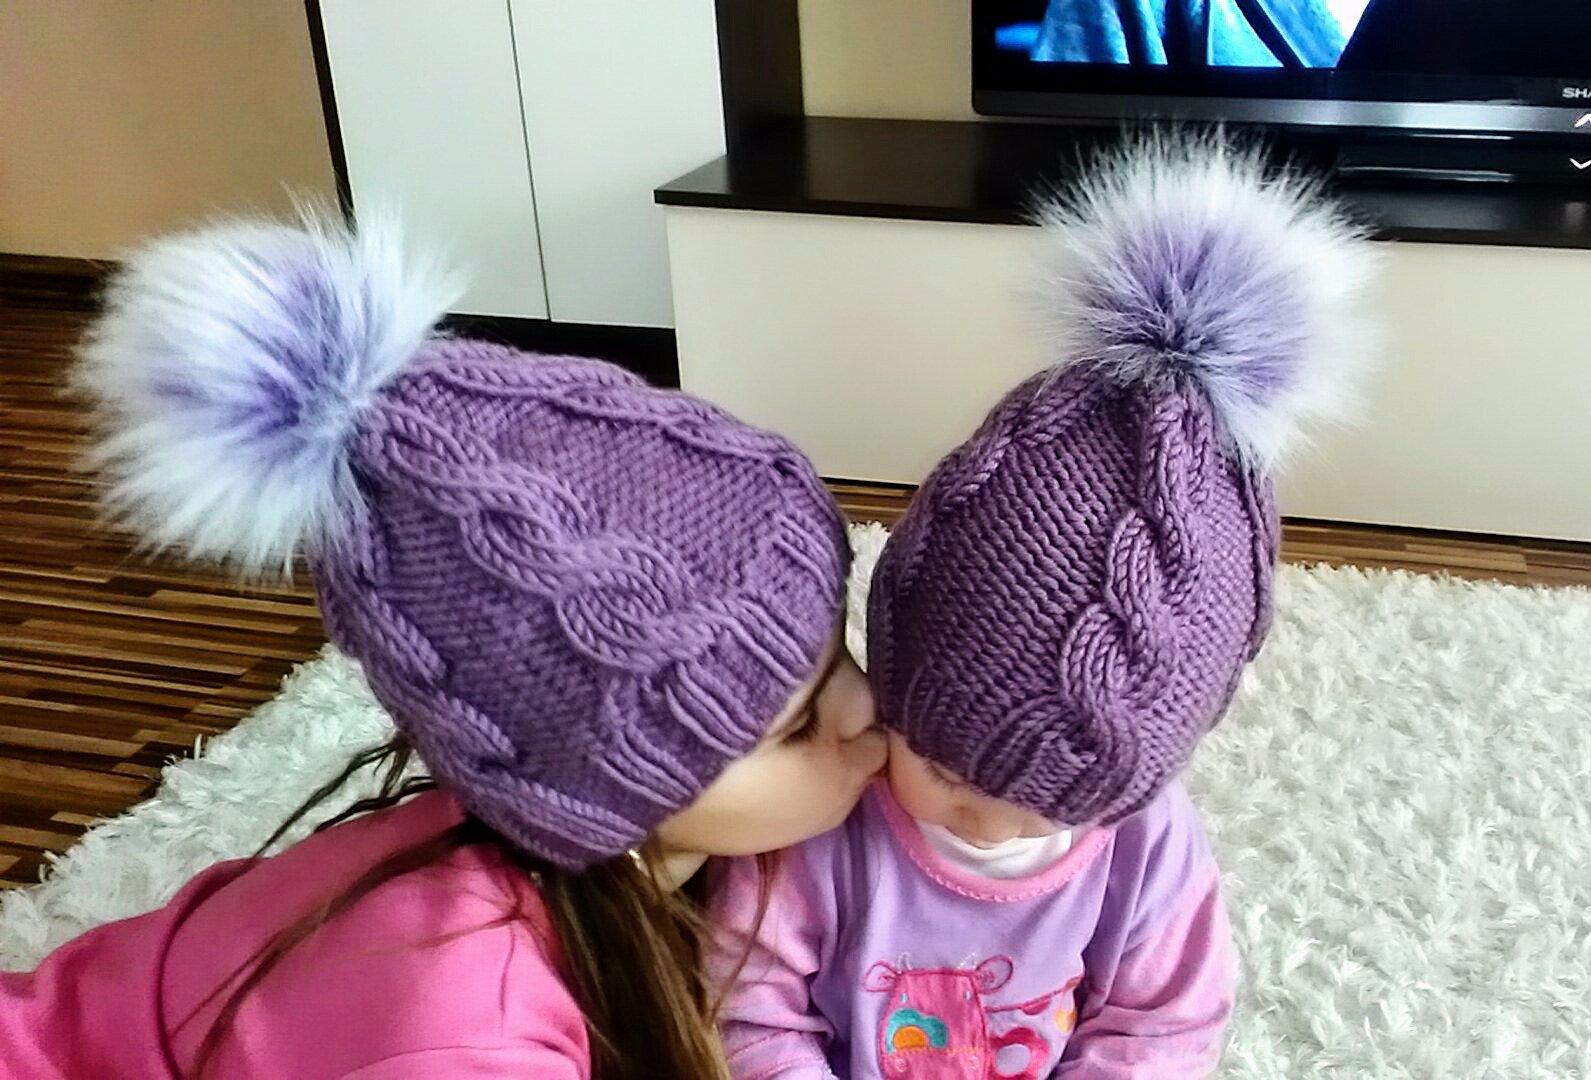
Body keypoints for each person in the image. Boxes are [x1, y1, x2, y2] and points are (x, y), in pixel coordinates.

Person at [0, 211, 887, 1078]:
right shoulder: (463, 1028)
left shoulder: (573, 873)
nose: (869, 708)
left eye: (841, 654)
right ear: (598, 796)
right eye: (796, 727)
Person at [708, 136, 1373, 1077]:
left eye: (1044, 808)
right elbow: (746, 1006)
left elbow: (1159, 1029)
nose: (983, 824)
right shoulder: (824, 818)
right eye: (942, 769)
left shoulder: (1145, 846)